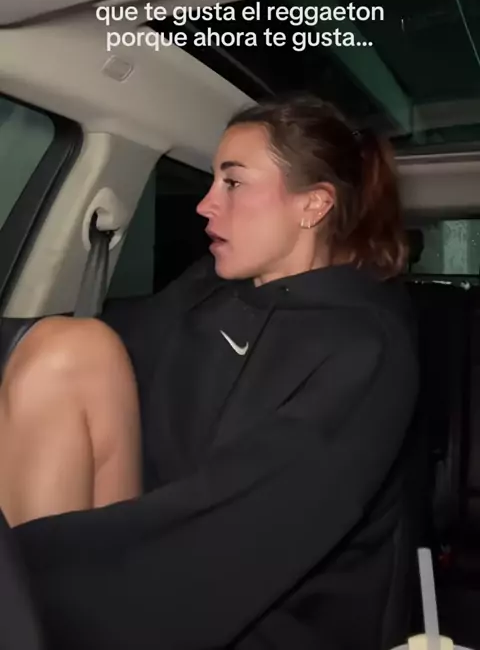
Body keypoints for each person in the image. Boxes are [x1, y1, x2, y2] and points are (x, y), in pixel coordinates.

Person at [0, 94, 421, 650]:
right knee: (64, 349)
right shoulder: (213, 290)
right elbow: (93, 356)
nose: (204, 204)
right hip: (145, 547)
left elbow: (245, 533)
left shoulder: (365, 349)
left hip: (253, 610)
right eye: (212, 181)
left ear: (313, 205)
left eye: (233, 182)